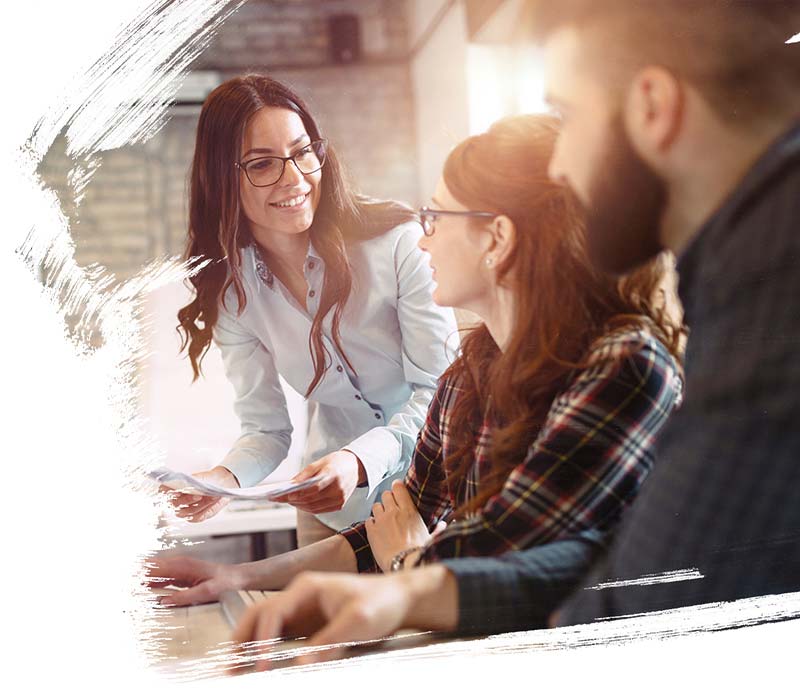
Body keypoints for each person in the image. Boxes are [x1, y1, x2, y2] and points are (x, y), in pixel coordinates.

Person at [226, 0, 800, 655]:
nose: (562, 170)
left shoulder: (760, 292)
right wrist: (405, 586)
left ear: (652, 107)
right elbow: (611, 560)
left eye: (571, 113)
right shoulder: (738, 278)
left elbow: (634, 590)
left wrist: (411, 571)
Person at [149, 114, 683, 609]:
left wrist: (407, 562)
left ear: (497, 237)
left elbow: (500, 553)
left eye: (435, 217)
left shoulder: (623, 363)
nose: (423, 237)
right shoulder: (469, 373)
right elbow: (399, 527)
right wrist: (233, 575)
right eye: (262, 163)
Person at [165, 75, 458, 546]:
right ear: (221, 179)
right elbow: (266, 429)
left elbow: (442, 394)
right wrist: (225, 478)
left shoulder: (398, 244)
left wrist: (359, 460)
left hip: (440, 497)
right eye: (262, 164)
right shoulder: (234, 297)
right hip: (334, 514)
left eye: (303, 152)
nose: (295, 179)